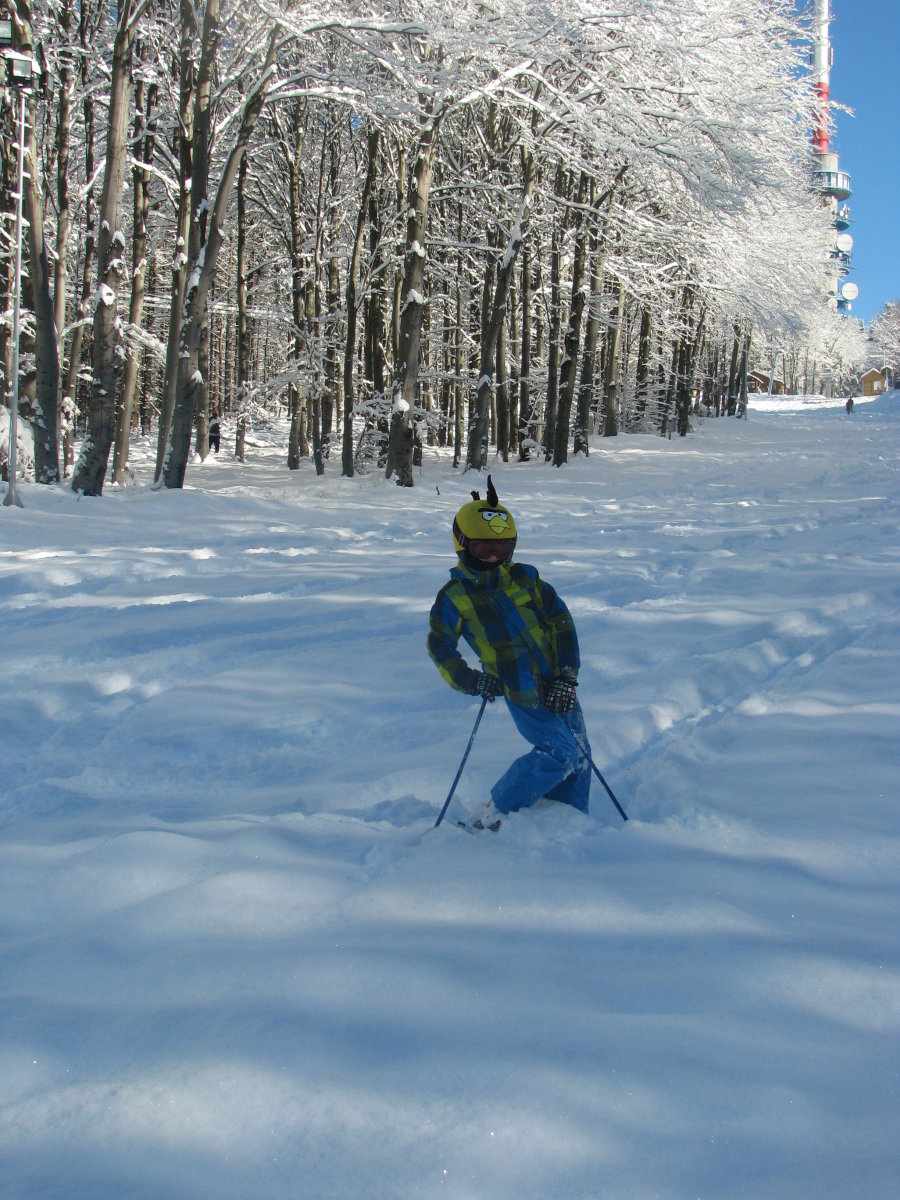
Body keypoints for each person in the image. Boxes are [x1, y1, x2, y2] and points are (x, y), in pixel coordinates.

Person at [428, 476, 591, 828]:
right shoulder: (456, 596)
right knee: (559, 753)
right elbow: (440, 645)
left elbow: (561, 621)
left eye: (502, 549)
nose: (493, 557)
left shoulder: (526, 579)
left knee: (579, 756)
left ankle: (569, 822)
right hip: (521, 690)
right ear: (462, 545)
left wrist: (567, 674)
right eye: (482, 549)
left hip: (558, 685)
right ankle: (496, 810)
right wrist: (472, 681)